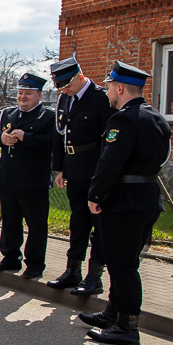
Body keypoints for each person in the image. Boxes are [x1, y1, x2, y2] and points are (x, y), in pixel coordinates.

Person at [80, 62, 170, 345]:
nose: (107, 92)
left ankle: (127, 326)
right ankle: (113, 313)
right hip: (147, 197)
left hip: (124, 201)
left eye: (108, 87)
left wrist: (95, 195)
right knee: (123, 261)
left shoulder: (123, 119)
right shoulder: (156, 117)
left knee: (123, 266)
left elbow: (109, 162)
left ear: (119, 88)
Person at [47, 57, 113, 294]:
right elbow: (60, 134)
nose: (64, 90)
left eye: (67, 85)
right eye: (60, 86)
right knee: (78, 223)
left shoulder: (101, 98)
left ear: (80, 77)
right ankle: (72, 271)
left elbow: (109, 141)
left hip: (95, 170)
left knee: (98, 226)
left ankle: (94, 277)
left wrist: (104, 174)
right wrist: (60, 168)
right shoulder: (65, 98)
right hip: (73, 168)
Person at [0, 73, 55, 279]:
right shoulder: (6, 114)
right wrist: (2, 138)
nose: (23, 97)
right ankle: (10, 257)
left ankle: (34, 264)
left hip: (34, 180)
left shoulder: (48, 117)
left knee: (36, 224)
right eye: (20, 93)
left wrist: (27, 137)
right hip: (9, 178)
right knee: (10, 221)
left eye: (28, 93)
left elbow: (53, 142)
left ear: (40, 95)